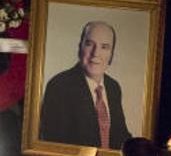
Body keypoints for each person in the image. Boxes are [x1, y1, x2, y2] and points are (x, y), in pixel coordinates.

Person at [40, 21, 132, 149]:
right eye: (89, 44)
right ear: (80, 47)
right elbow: (54, 143)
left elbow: (120, 135)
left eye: (104, 47)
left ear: (111, 54)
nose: (95, 53)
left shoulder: (113, 87)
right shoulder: (59, 86)